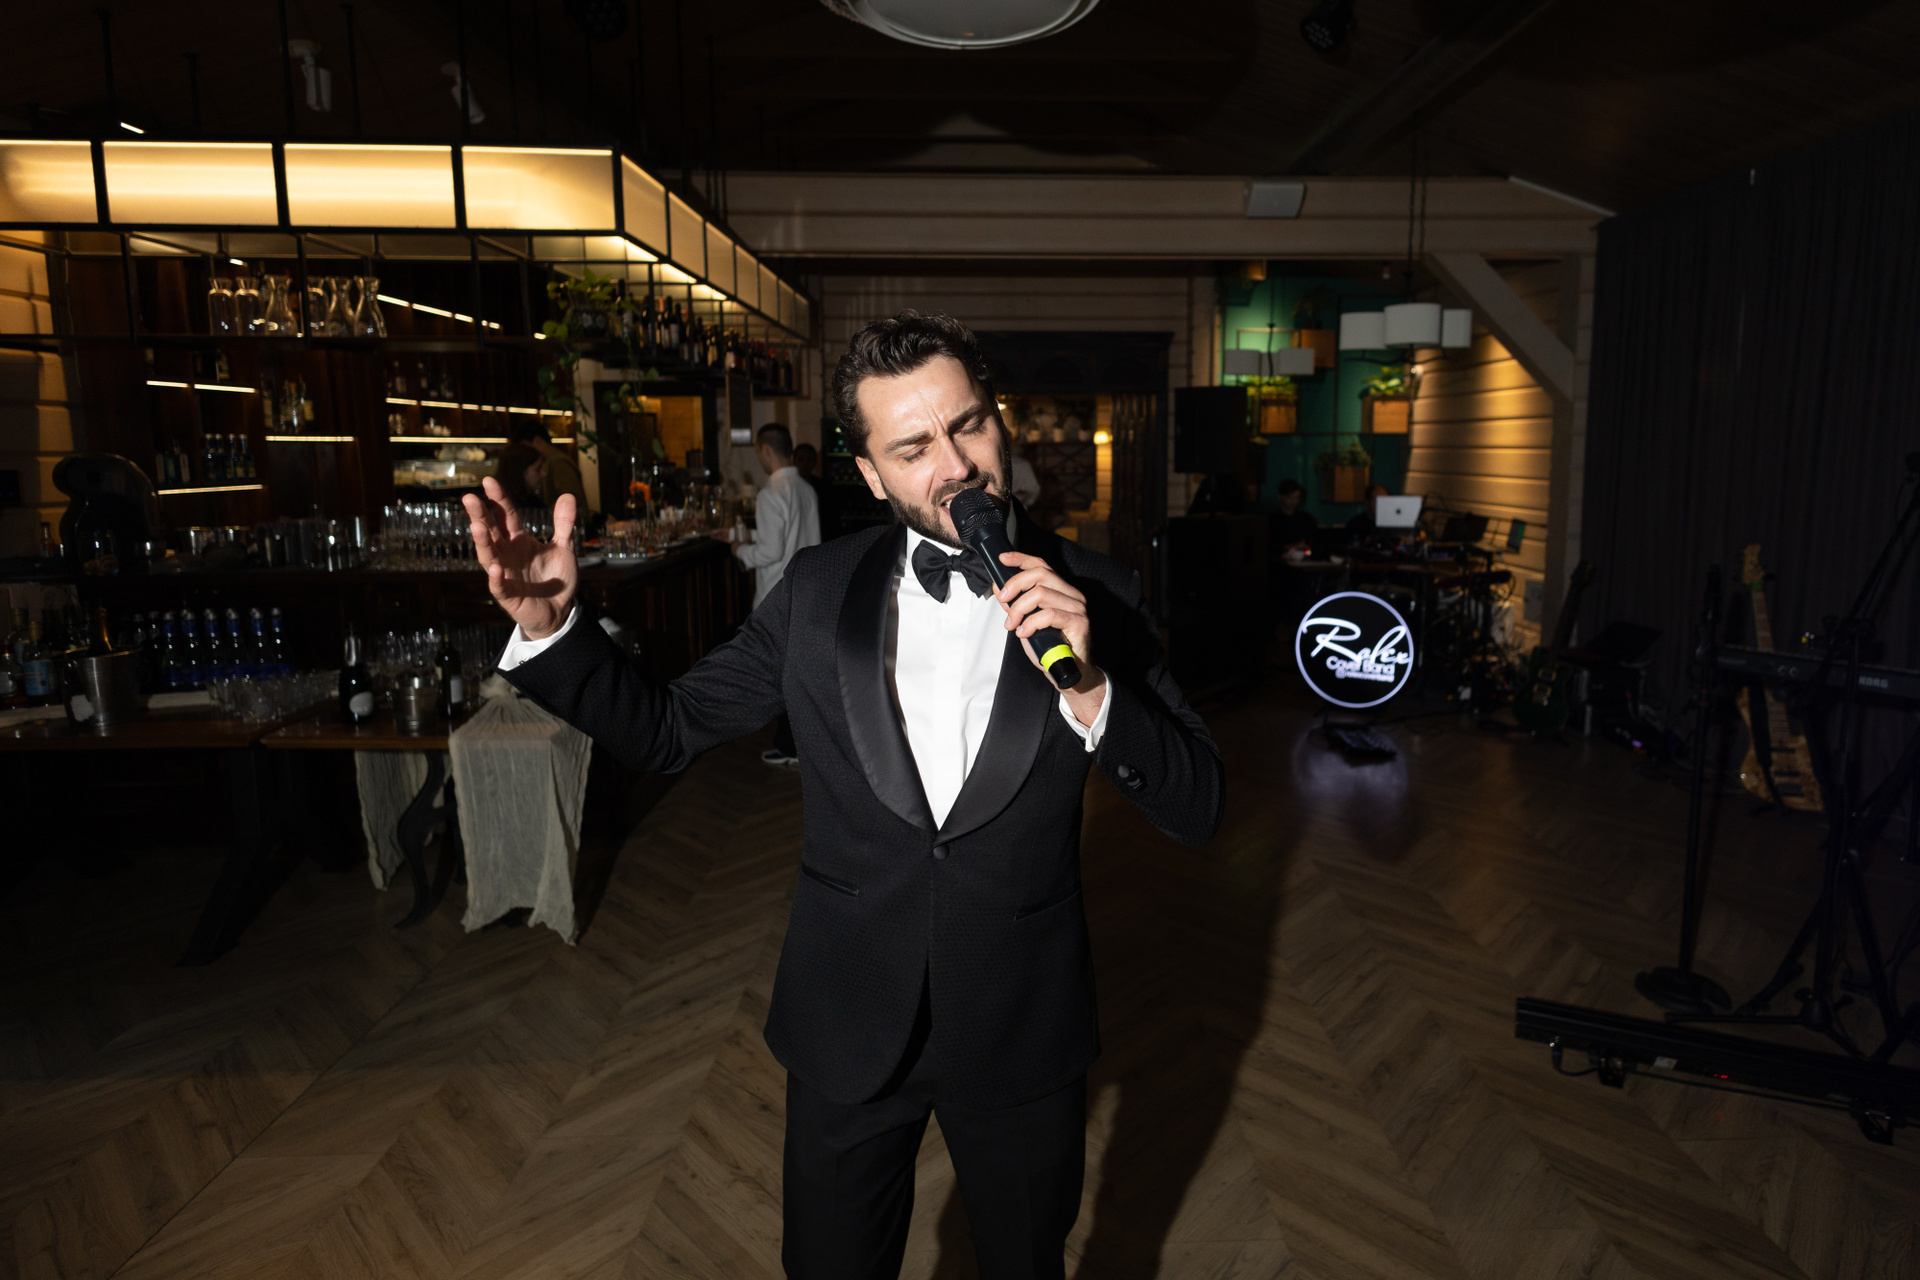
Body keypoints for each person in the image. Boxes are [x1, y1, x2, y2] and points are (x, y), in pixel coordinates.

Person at [464, 310, 1221, 1280]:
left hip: (1021, 1024)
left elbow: (1198, 806)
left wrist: (1094, 688)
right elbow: (664, 730)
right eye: (913, 448)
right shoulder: (817, 591)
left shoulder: (1103, 593)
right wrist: (553, 632)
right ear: (869, 473)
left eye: (969, 425)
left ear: (998, 420)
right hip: (847, 1018)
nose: (957, 466)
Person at [717, 423, 822, 766]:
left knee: (778, 672)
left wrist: (738, 550)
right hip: (807, 590)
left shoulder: (770, 493)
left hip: (776, 595)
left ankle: (790, 745)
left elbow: (770, 552)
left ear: (765, 450)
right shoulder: (806, 489)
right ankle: (798, 744)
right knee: (798, 672)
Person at [509, 420, 587, 509]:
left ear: (538, 441)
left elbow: (572, 498)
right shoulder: (549, 461)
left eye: (526, 446)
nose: (524, 452)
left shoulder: (558, 462)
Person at [791, 441, 835, 539]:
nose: (804, 464)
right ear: (794, 461)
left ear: (815, 462)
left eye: (809, 460)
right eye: (800, 459)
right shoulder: (789, 488)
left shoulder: (824, 487)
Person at [491, 441, 544, 509]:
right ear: (520, 471)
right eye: (538, 469)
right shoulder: (532, 507)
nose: (544, 473)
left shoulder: (491, 503)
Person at [1268, 477, 1316, 551]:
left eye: (1296, 497)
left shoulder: (1306, 519)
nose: (1293, 501)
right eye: (1289, 497)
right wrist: (1291, 546)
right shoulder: (1273, 520)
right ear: (1280, 497)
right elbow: (1270, 546)